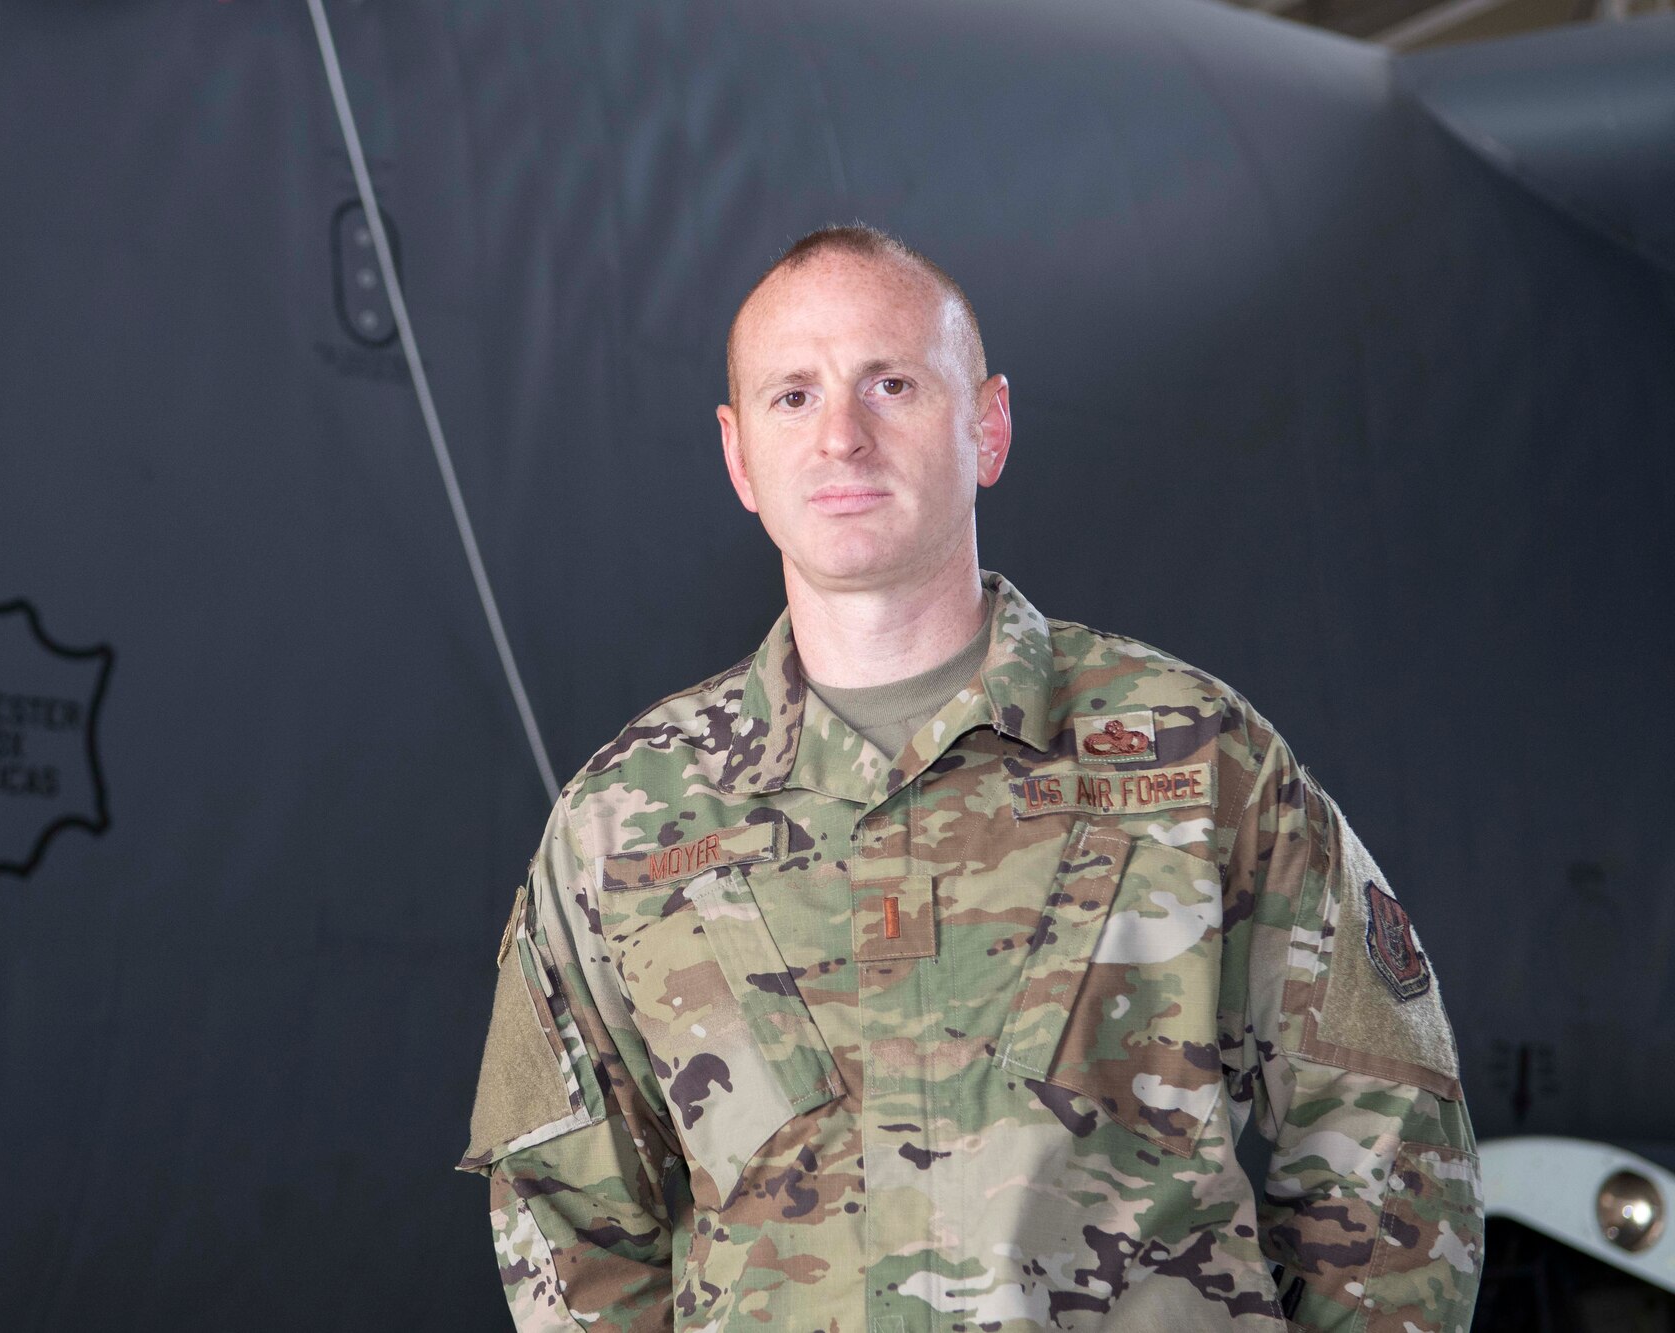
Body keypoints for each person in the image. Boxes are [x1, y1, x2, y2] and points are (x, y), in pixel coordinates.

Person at [457, 225, 1482, 1332]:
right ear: (738, 456)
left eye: (888, 383)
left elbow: (1384, 1144)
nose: (839, 436)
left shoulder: (1197, 759)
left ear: (986, 426)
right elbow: (568, 1219)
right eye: (791, 397)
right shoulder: (626, 820)